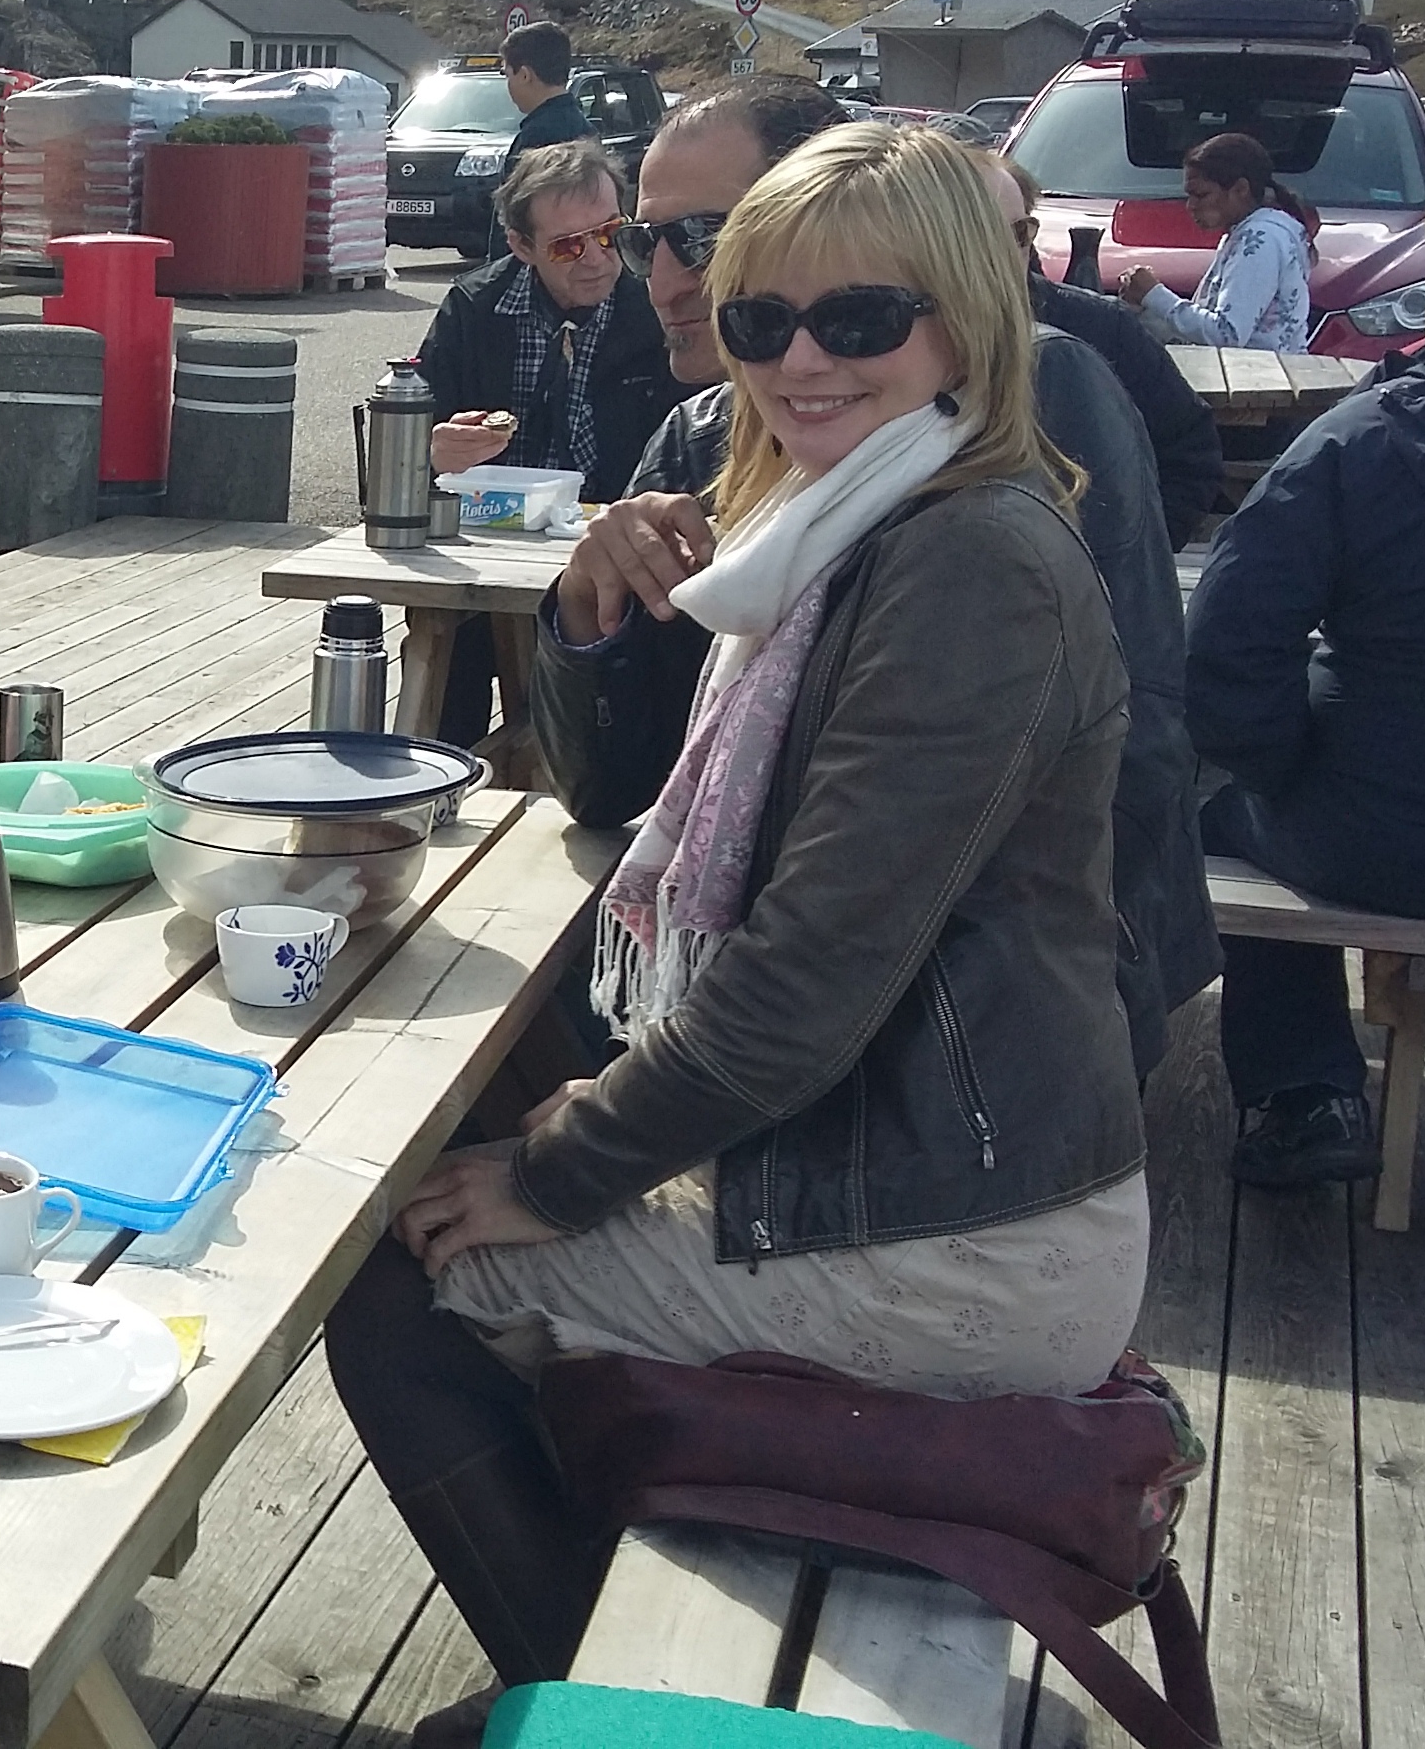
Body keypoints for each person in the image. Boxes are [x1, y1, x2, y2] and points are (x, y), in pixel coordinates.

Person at [328, 123, 1148, 1745]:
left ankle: (616, 1711)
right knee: (477, 1154)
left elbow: (798, 988)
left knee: (397, 1289)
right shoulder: (830, 523)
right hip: (900, 1157)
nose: (799, 361)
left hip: (962, 1234)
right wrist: (583, 615)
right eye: (764, 318)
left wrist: (560, 1170)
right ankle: (634, 1656)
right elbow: (616, 792)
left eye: (860, 319)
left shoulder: (967, 564)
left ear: (969, 319)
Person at [565, 84, 1216, 1078]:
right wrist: (585, 612)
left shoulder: (1031, 413)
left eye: (700, 238)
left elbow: (1136, 743)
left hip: (964, 1043)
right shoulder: (706, 436)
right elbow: (612, 785)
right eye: (641, 239)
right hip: (751, 1010)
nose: (660, 278)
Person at [1185, 170, 1425, 1190]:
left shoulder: (1369, 435)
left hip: (1365, 833)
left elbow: (1227, 645)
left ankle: (1307, 1090)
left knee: (1219, 806)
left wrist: (1284, 767)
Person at [418, 138, 687, 744]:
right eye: (568, 245)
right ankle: (441, 776)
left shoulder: (657, 304)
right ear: (521, 247)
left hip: (615, 549)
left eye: (610, 234)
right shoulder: (476, 308)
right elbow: (413, 435)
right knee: (445, 658)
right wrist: (434, 449)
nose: (596, 259)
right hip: (489, 540)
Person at [993, 153, 1226, 544]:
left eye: (1019, 232)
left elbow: (1189, 449)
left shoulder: (1101, 329)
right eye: (972, 231)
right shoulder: (906, 334)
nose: (994, 250)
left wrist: (1134, 549)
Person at [1117, 131, 1315, 353]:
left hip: (1257, 372)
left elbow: (1227, 335)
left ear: (1241, 189)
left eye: (1201, 195)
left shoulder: (1261, 239)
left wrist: (1154, 294)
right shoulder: (1251, 232)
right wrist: (1146, 306)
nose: (1190, 206)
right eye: (1189, 196)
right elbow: (1207, 328)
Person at [488, 22, 593, 258]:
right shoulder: (585, 129)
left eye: (507, 74)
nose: (508, 85)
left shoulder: (536, 138)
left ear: (525, 75)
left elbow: (518, 221)